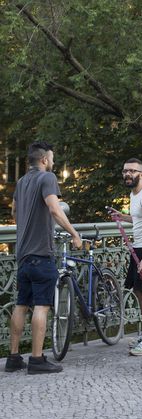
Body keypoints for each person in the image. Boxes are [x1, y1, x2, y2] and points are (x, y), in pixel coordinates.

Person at [5, 141, 82, 374]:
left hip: (23, 255)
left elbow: (14, 212)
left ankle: (14, 357)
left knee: (21, 304)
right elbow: (54, 209)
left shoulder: (21, 181)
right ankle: (37, 359)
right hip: (41, 253)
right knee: (41, 305)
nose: (54, 162)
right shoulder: (47, 178)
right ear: (45, 160)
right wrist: (74, 233)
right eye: (53, 159)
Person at [107, 158, 142, 356]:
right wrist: (122, 217)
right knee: (139, 291)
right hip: (138, 248)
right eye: (125, 171)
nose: (128, 174)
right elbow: (140, 219)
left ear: (141, 174)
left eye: (132, 171)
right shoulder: (134, 194)